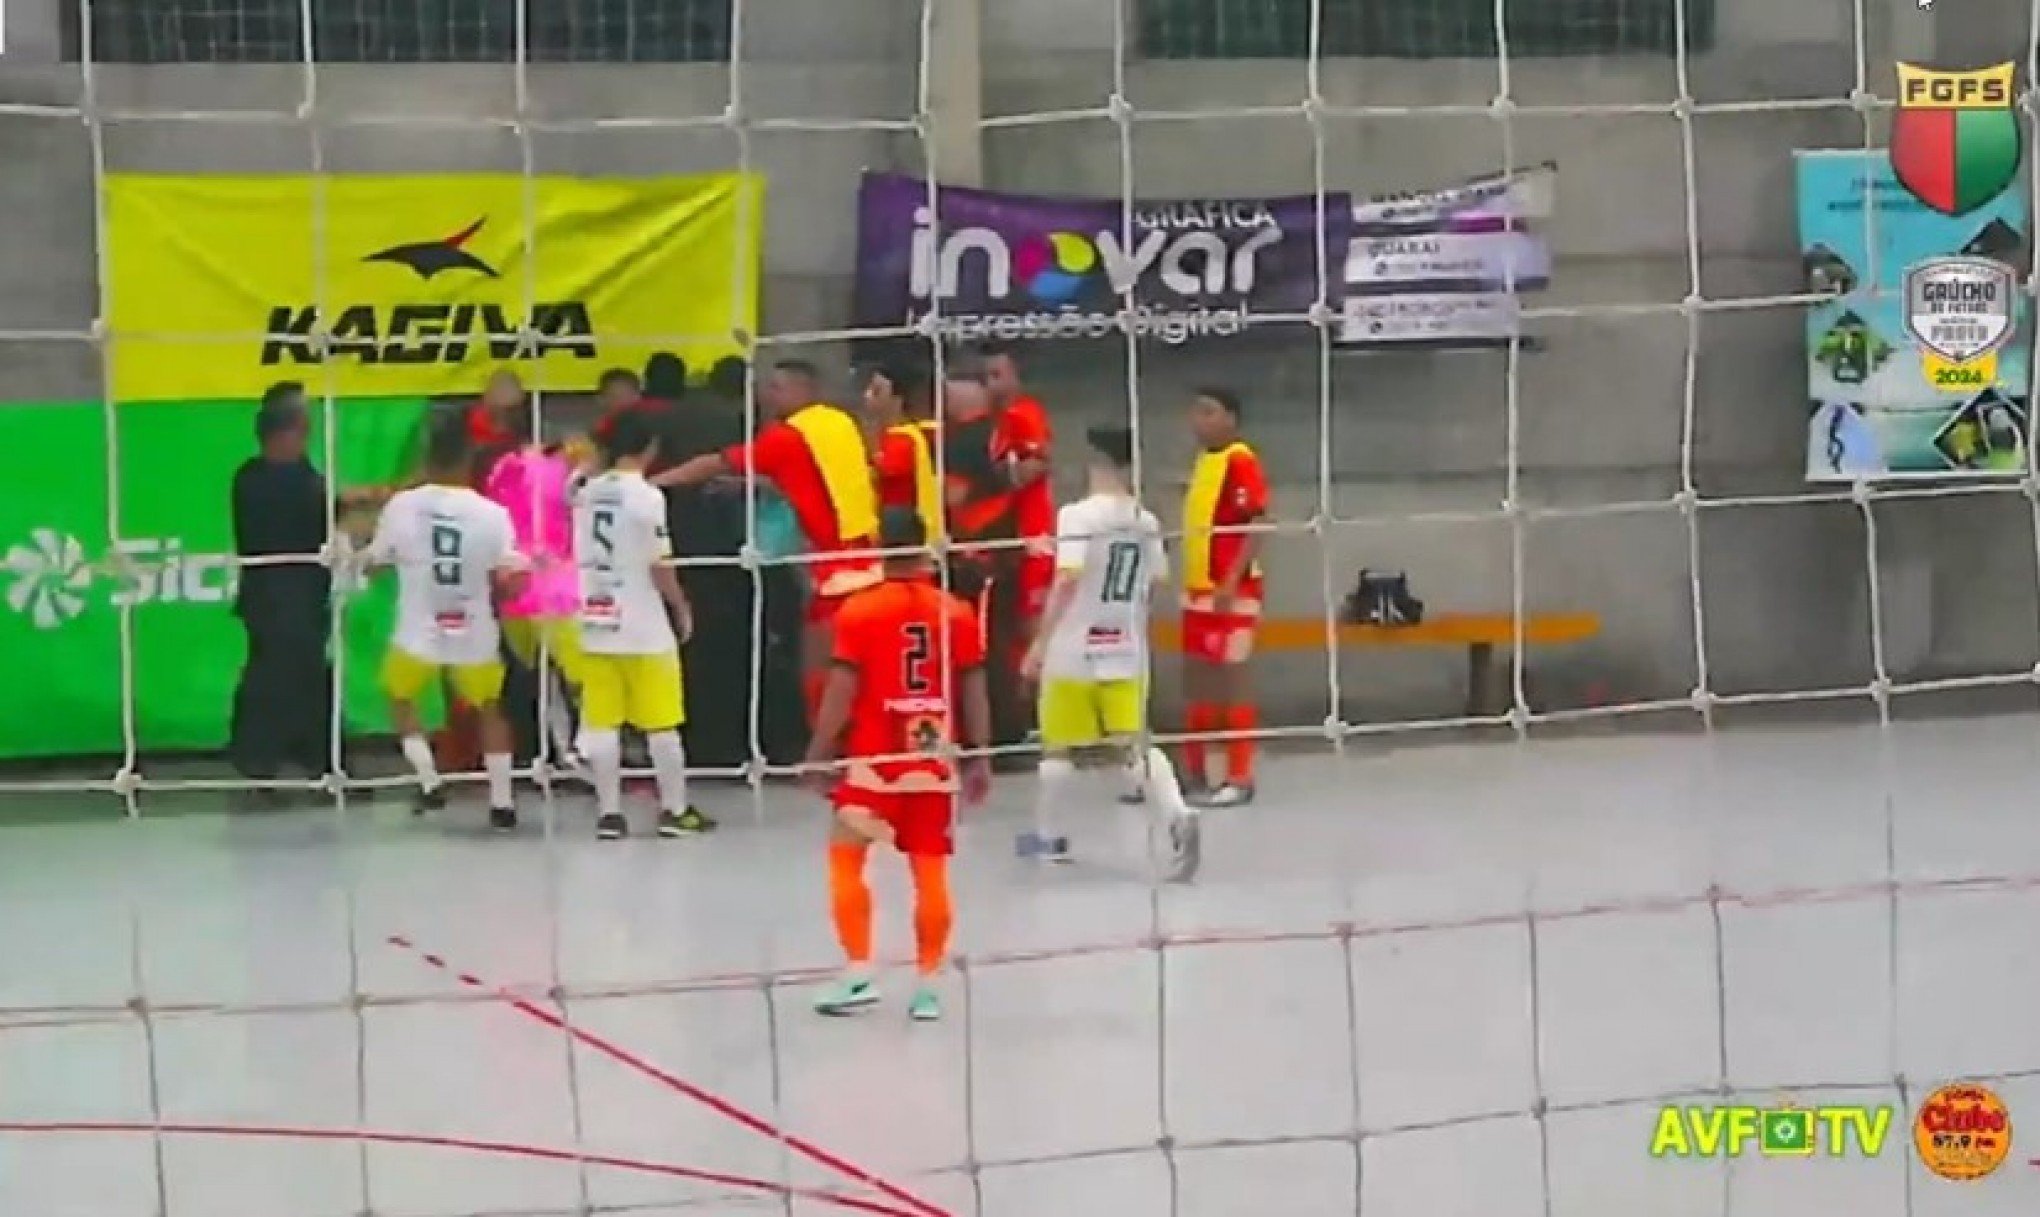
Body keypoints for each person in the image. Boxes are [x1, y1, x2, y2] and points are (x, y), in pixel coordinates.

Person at [803, 505, 991, 1022]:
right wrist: (980, 756)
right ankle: (928, 983)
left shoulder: (861, 612)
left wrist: (819, 752)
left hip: (875, 759)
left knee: (846, 856)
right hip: (933, 758)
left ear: (882, 544)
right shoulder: (956, 612)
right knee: (930, 871)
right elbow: (973, 687)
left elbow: (843, 687)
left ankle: (859, 970)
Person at [653, 360, 881, 721]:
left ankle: (824, 746)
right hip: (871, 555)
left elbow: (714, 463)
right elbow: (816, 478)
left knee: (823, 665)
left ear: (803, 389)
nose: (767, 395)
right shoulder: (840, 423)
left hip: (833, 570)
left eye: (777, 387)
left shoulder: (786, 437)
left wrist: (652, 485)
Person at [1019, 425, 1196, 876]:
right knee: (1135, 742)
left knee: (1058, 747)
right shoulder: (1145, 519)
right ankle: (1177, 812)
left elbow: (1068, 577)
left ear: (1095, 461)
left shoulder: (1077, 516)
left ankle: (1049, 835)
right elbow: (1158, 583)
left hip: (1075, 645)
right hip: (1126, 644)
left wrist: (1040, 641)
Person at [360, 414, 525, 830]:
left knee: (399, 696)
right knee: (490, 708)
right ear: (470, 457)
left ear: (426, 458)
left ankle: (430, 782)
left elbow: (373, 563)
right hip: (473, 625)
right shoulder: (492, 514)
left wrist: (353, 556)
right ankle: (502, 803)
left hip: (418, 626)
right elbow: (507, 578)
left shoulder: (402, 506)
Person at [229, 381, 377, 803]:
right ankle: (290, 761)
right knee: (280, 681)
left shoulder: (272, 476)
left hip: (290, 599)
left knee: (292, 679)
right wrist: (358, 508)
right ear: (285, 433)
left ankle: (302, 761)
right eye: (302, 426)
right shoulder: (271, 481)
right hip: (282, 602)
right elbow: (319, 511)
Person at [573, 408, 715, 840]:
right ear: (651, 448)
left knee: (601, 722)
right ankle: (674, 809)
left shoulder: (585, 491)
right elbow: (659, 561)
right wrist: (680, 604)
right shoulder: (647, 496)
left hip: (595, 617)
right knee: (661, 721)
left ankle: (609, 815)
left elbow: (574, 469)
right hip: (642, 622)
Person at [482, 397, 586, 774]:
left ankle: (552, 753)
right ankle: (579, 752)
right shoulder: (567, 469)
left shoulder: (500, 470)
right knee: (580, 677)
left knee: (538, 680)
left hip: (515, 587)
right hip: (562, 585)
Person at [1179, 388, 1268, 807]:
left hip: (1233, 594)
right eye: (1196, 412)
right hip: (1198, 592)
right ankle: (1196, 771)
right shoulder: (1204, 463)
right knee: (1199, 684)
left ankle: (1240, 775)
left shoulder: (1240, 459)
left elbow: (1257, 522)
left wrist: (1232, 580)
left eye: (1209, 412)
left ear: (1231, 418)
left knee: (1233, 682)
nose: (1199, 420)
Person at [939, 369, 1030, 756]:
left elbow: (953, 497)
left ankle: (992, 734)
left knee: (979, 647)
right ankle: (1005, 729)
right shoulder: (998, 431)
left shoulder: (963, 441)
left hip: (979, 556)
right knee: (999, 640)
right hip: (1003, 553)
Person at [979, 341, 1056, 643]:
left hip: (1031, 532)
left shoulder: (1025, 413)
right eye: (986, 377)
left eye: (996, 375)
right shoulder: (991, 421)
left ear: (1015, 378)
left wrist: (992, 482)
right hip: (1003, 537)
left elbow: (1039, 461)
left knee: (1031, 623)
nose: (990, 384)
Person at [862, 360, 944, 543]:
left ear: (897, 399)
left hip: (905, 534)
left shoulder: (902, 439)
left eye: (876, 391)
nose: (866, 396)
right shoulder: (898, 436)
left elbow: (882, 472)